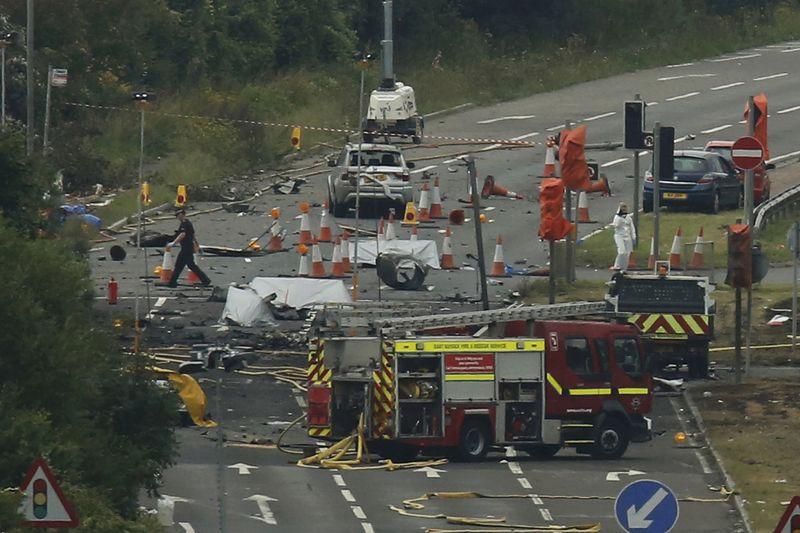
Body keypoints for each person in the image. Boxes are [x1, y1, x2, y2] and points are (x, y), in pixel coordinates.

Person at [167, 209, 211, 287]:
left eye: (178, 215)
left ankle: (205, 280)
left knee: (184, 265)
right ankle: (172, 282)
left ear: (182, 214)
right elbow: (193, 235)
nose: (177, 217)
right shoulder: (188, 223)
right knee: (184, 265)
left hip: (186, 248)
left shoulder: (185, 224)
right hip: (187, 247)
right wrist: (197, 245)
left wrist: (174, 243)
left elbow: (183, 234)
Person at [611, 202, 636, 271]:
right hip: (619, 236)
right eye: (623, 207)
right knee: (622, 252)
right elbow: (615, 225)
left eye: (625, 207)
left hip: (628, 237)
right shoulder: (617, 217)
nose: (624, 209)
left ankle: (624, 268)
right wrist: (620, 219)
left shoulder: (628, 218)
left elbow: (632, 227)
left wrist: (634, 237)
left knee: (627, 254)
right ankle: (617, 265)